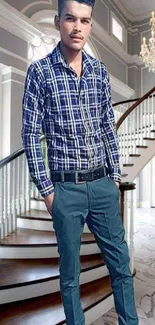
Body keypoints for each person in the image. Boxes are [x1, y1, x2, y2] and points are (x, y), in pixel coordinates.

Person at [21, 0, 139, 324]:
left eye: (85, 21)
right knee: (70, 276)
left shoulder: (100, 71)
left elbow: (106, 126)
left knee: (121, 267)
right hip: (65, 191)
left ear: (90, 24)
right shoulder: (39, 72)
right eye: (71, 19)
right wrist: (48, 192)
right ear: (59, 21)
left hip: (102, 185)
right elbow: (30, 135)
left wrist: (114, 178)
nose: (78, 27)